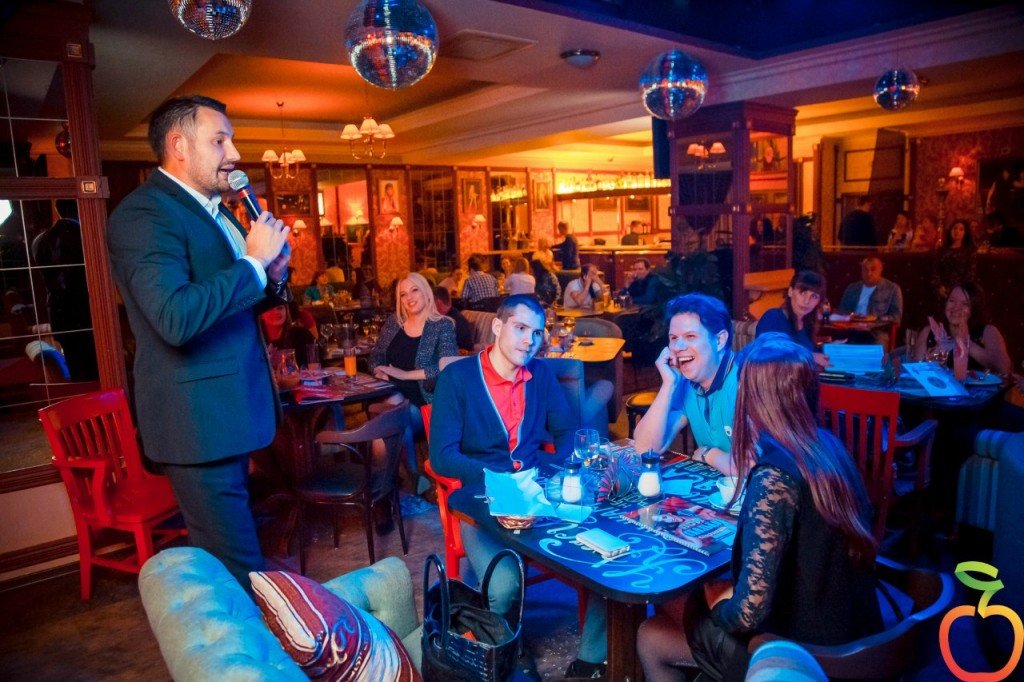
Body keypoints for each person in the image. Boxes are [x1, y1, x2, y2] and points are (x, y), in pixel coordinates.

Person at [106, 94, 292, 588]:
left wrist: (271, 274)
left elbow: (232, 306)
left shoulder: (219, 211)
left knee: (238, 554)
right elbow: (175, 317)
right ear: (179, 146)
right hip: (197, 423)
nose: (234, 153)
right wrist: (252, 263)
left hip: (232, 412)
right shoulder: (143, 215)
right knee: (239, 570)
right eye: (219, 140)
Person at [637, 335, 882, 681]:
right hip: (860, 641)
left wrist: (717, 602)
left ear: (753, 399)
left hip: (805, 657)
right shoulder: (829, 446)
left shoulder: (774, 476)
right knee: (668, 620)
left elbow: (749, 613)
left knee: (659, 623)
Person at [429, 294, 608, 680]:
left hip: (537, 491)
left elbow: (566, 432)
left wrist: (560, 473)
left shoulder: (539, 375)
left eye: (537, 332)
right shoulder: (457, 378)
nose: (529, 340)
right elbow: (442, 457)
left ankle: (592, 658)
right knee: (504, 584)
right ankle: (510, 650)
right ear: (498, 326)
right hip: (481, 499)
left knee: (604, 550)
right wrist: (498, 479)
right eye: (520, 328)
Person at [633, 294, 739, 475]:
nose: (678, 347)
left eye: (690, 336)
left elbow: (754, 467)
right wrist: (669, 384)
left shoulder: (746, 381)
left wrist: (708, 454)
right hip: (720, 487)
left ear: (719, 340)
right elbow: (646, 449)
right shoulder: (687, 384)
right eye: (673, 338)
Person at [370, 272, 458, 481]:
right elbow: (375, 356)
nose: (409, 297)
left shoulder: (442, 325)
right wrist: (379, 371)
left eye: (414, 290)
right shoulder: (394, 323)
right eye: (403, 294)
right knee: (395, 411)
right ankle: (411, 479)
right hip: (390, 395)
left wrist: (405, 375)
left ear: (426, 292)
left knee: (389, 422)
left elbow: (447, 367)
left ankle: (385, 483)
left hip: (426, 400)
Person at [30, 198, 99, 381]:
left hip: (59, 314)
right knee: (95, 371)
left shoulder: (39, 240)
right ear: (79, 208)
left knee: (78, 369)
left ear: (57, 210)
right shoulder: (84, 235)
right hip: (86, 312)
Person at [912, 282, 1010, 376]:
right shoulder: (929, 332)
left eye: (965, 304)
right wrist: (935, 353)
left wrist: (966, 342)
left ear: (974, 309)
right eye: (952, 301)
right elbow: (915, 373)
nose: (956, 307)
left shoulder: (988, 331)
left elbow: (1004, 369)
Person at [755, 270, 829, 369]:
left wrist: (834, 350)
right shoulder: (773, 317)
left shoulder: (807, 324)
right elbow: (770, 355)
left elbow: (813, 352)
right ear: (790, 291)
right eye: (802, 293)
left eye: (814, 297)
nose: (807, 301)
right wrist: (811, 356)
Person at [836, 255, 903, 345]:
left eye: (873, 269)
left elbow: (896, 317)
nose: (869, 273)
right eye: (865, 269)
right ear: (861, 271)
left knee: (878, 344)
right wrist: (851, 320)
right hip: (852, 331)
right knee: (836, 344)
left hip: (876, 332)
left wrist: (876, 320)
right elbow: (842, 312)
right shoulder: (852, 288)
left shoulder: (892, 289)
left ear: (880, 270)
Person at [931, 219, 977, 300]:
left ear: (965, 233)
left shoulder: (969, 251)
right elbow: (935, 270)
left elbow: (970, 274)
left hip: (961, 290)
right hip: (943, 289)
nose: (957, 231)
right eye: (955, 228)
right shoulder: (942, 250)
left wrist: (960, 290)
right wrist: (939, 286)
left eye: (961, 229)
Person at [260, 300, 315, 366]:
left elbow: (315, 365)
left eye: (280, 308)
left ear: (286, 311)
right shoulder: (253, 341)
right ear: (261, 315)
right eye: (270, 309)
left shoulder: (302, 335)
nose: (276, 312)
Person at [434, 285, 474, 352]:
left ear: (438, 303)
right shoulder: (445, 317)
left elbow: (465, 349)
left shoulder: (456, 322)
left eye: (429, 301)